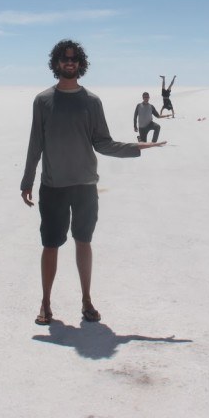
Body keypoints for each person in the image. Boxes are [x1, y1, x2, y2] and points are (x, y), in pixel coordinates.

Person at [21, 39, 166, 326]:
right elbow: (35, 144)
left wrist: (138, 147)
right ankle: (45, 303)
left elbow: (103, 143)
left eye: (74, 59)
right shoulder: (43, 101)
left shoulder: (91, 102)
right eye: (64, 59)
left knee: (83, 242)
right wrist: (27, 180)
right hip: (53, 186)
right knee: (50, 244)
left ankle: (87, 301)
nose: (69, 62)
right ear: (56, 63)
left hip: (85, 185)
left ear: (81, 64)